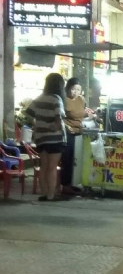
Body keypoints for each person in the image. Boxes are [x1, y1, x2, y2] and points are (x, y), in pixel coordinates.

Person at [25, 73, 67, 201]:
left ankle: (43, 193)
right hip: (54, 138)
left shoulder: (39, 99)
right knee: (52, 167)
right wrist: (52, 127)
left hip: (41, 138)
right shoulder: (56, 99)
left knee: (43, 166)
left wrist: (37, 125)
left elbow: (27, 114)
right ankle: (51, 194)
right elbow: (58, 119)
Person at [61, 78, 86, 195]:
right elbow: (59, 117)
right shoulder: (64, 100)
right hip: (68, 133)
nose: (75, 92)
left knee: (77, 160)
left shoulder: (81, 99)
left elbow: (83, 113)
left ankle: (74, 183)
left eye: (78, 90)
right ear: (68, 88)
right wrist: (66, 126)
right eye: (73, 89)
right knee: (68, 159)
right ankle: (65, 185)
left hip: (80, 132)